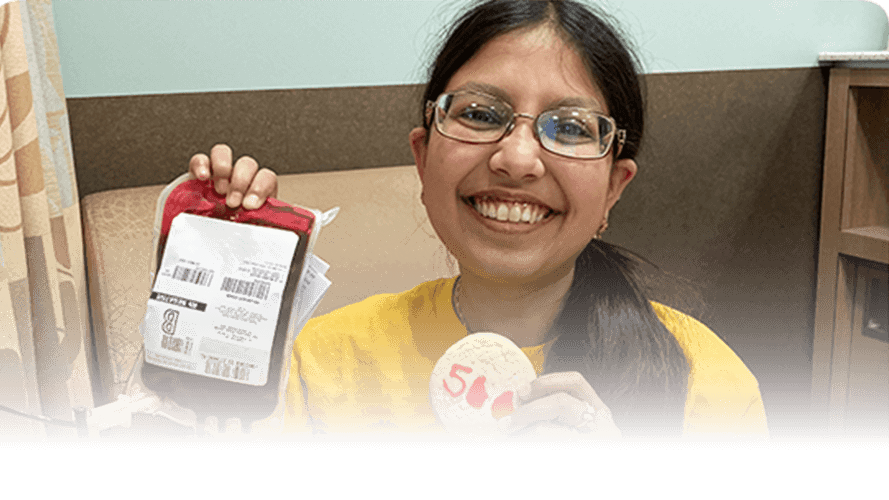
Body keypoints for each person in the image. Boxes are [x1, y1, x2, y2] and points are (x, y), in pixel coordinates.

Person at [187, 0, 768, 439]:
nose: (516, 159)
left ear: (614, 188)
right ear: (422, 159)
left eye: (569, 127)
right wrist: (213, 320)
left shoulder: (706, 387)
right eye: (480, 113)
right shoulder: (323, 361)